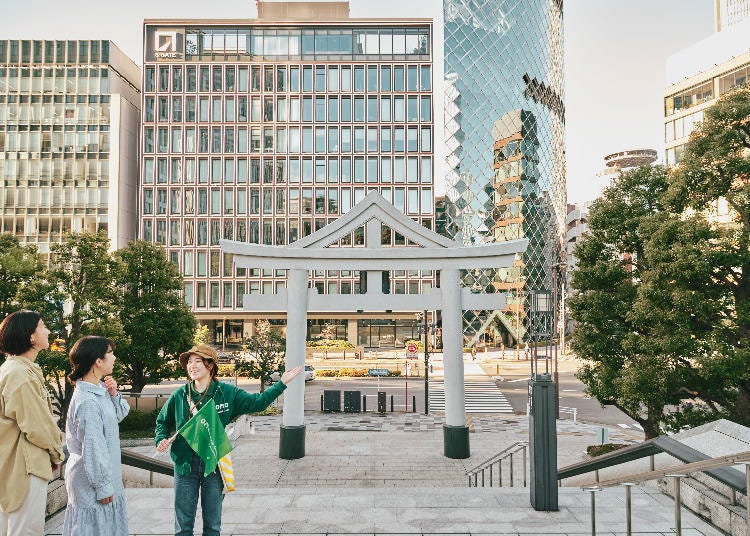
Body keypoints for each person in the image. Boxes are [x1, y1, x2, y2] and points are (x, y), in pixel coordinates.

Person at [155, 344, 302, 536]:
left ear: (210, 365)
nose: (192, 366)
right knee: (183, 526)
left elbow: (257, 403)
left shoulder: (226, 393)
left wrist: (281, 384)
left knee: (213, 526)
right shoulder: (180, 395)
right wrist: (161, 438)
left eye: (197, 361)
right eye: (189, 362)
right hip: (185, 465)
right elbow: (162, 422)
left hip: (214, 464)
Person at [0, 311, 65, 536]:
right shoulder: (20, 374)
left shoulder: (15, 369)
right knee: (25, 530)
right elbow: (37, 425)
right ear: (30, 337)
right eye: (43, 326)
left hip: (15, 465)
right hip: (24, 466)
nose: (48, 331)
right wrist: (56, 454)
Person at [62, 336, 130, 536]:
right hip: (90, 480)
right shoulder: (88, 401)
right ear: (98, 361)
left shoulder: (98, 390)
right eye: (110, 353)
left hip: (100, 475)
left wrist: (113, 393)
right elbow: (93, 446)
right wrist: (102, 486)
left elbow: (118, 415)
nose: (115, 357)